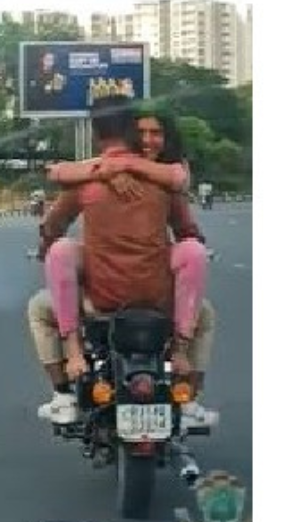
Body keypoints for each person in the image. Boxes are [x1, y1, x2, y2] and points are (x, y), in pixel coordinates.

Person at [35, 104, 218, 427]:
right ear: (133, 135)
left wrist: (46, 246)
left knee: (45, 294)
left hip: (101, 298)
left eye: (155, 133)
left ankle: (65, 386)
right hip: (157, 296)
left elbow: (53, 222)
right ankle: (186, 388)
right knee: (199, 290)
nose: (149, 140)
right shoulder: (167, 180)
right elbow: (188, 231)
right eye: (143, 133)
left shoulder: (86, 176)